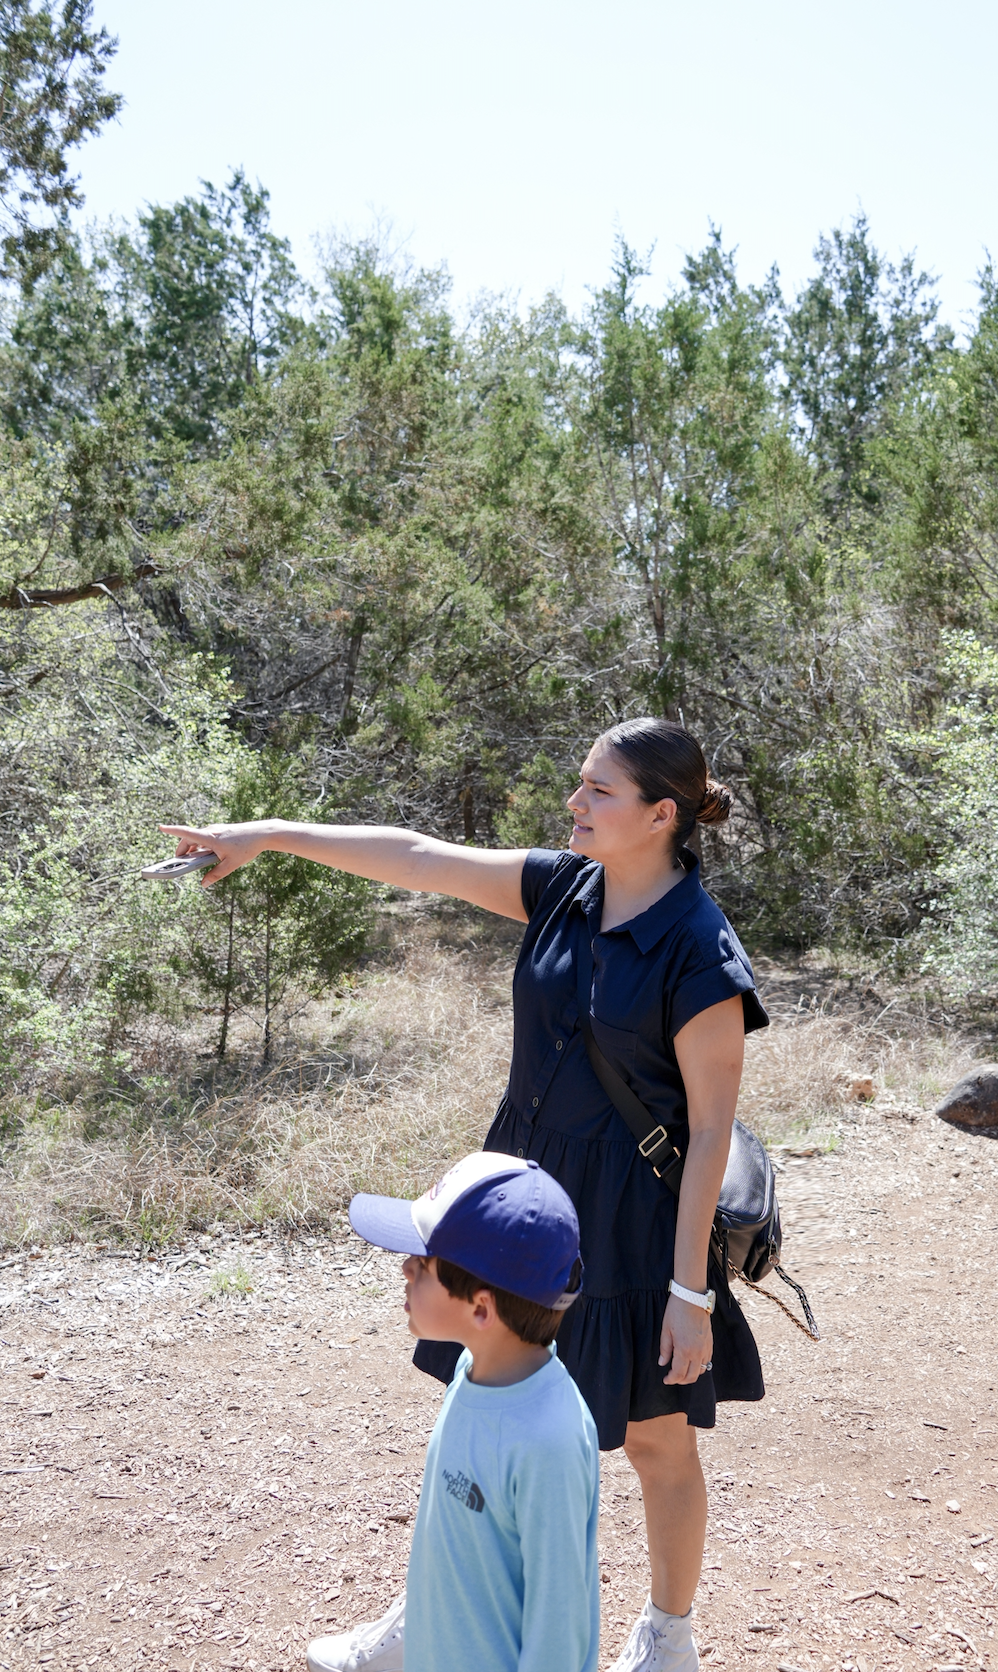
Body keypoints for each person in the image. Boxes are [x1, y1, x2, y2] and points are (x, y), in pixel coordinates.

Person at [161, 715, 770, 1672]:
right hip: (516, 1200)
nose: (574, 802)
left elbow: (703, 1140)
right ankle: (428, 1616)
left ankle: (668, 1637)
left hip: (632, 1223)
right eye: (580, 783)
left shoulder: (699, 952)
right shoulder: (562, 887)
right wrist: (263, 834)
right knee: (476, 1404)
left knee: (655, 1442)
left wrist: (689, 1295)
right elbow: (414, 855)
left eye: (597, 791)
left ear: (660, 814)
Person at [306, 1150, 599, 1672]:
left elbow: (560, 1622)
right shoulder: (473, 1368)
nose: (404, 1268)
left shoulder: (548, 1439)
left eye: (421, 1264)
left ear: (481, 1308)